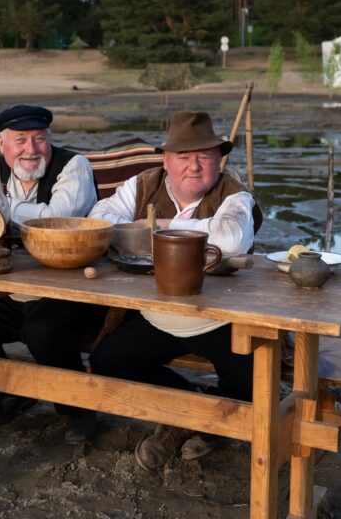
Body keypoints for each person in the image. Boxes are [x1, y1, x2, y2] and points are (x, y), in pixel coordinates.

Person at [88, 110, 263, 470]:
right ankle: (191, 410)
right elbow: (98, 221)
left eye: (204, 157)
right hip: (157, 317)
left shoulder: (235, 195)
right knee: (107, 361)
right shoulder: (143, 184)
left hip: (218, 320)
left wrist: (159, 226)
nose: (194, 166)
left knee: (256, 381)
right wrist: (138, 229)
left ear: (218, 160)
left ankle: (188, 425)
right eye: (184, 157)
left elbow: (229, 239)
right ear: (166, 160)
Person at [0, 104, 103, 444]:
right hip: (12, 292)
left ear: (49, 140)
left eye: (39, 139)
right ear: (2, 144)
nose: (31, 150)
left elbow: (55, 218)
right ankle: (7, 397)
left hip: (71, 293)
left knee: (42, 330)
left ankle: (78, 411)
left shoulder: (74, 166)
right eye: (20, 141)